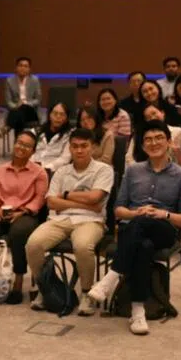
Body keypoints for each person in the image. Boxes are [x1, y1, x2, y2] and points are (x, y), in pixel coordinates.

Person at [87, 120, 181, 336]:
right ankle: (138, 310)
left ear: (169, 141)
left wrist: (164, 214)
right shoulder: (133, 171)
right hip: (133, 227)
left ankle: (111, 277)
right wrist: (136, 213)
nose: (154, 143)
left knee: (146, 224)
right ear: (142, 146)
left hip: (164, 228)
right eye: (148, 140)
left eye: (158, 138)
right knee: (142, 244)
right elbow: (118, 210)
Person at [26, 127, 114, 316]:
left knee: (83, 246)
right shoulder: (61, 171)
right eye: (75, 146)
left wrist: (66, 196)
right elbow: (51, 202)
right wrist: (87, 202)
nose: (79, 150)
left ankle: (86, 294)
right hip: (60, 219)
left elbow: (96, 198)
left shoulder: (104, 170)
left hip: (91, 221)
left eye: (84, 146)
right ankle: (46, 289)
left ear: (93, 147)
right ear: (70, 148)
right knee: (33, 244)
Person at [0, 130, 48, 306]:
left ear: (33, 151)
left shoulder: (39, 172)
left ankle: (18, 282)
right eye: (19, 143)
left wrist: (22, 212)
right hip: (1, 212)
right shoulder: (0, 170)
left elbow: (39, 199)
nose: (21, 147)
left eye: (27, 146)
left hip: (26, 213)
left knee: (19, 233)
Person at [127, 103, 181, 167]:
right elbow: (129, 158)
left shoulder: (178, 132)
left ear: (162, 113)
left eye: (154, 113)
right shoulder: (139, 134)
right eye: (148, 117)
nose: (152, 118)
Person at [3, 56, 41, 135]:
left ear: (29, 69)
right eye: (20, 65)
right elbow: (8, 101)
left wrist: (26, 103)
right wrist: (16, 106)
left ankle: (7, 127)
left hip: (31, 111)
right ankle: (19, 142)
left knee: (22, 108)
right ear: (16, 68)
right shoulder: (9, 81)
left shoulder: (35, 80)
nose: (22, 68)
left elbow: (38, 99)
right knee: (19, 116)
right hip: (16, 110)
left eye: (25, 66)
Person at [31, 102, 72, 174]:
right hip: (32, 168)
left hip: (54, 171)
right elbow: (29, 152)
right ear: (50, 115)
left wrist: (47, 168)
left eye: (62, 114)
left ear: (66, 118)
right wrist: (31, 165)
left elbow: (65, 159)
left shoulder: (70, 135)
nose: (58, 116)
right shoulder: (37, 131)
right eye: (55, 113)